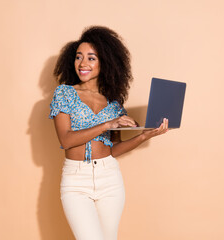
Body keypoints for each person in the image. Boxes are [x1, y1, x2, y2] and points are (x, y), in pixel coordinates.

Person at [49, 26, 169, 240]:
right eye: (78, 57)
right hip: (76, 181)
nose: (83, 63)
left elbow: (113, 150)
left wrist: (144, 136)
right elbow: (66, 140)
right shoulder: (64, 94)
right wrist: (106, 125)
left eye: (91, 58)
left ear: (105, 62)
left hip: (109, 178)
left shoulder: (114, 104)